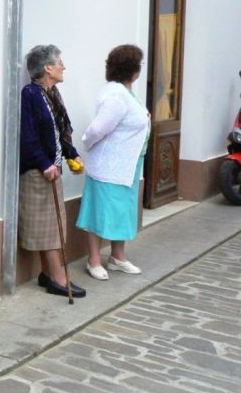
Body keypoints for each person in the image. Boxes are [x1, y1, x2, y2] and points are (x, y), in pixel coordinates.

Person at [77, 44, 150, 280]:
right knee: (99, 211)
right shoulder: (116, 95)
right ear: (132, 70)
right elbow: (98, 128)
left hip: (127, 165)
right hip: (110, 164)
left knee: (122, 211)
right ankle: (94, 260)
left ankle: (118, 257)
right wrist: (87, 144)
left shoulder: (125, 92)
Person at [19, 45, 86, 298]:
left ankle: (49, 274)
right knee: (47, 227)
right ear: (47, 67)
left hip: (52, 169)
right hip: (39, 172)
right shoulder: (31, 94)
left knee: (54, 224)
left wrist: (72, 154)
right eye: (59, 63)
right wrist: (44, 163)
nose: (63, 67)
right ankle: (58, 278)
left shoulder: (53, 93)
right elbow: (28, 135)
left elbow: (60, 130)